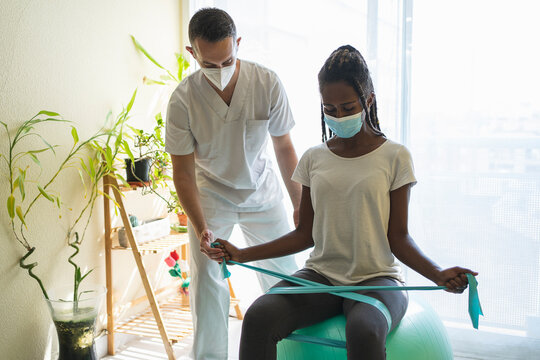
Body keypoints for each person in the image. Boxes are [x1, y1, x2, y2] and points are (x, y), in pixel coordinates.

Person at [216, 45, 478, 360]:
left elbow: (398, 237)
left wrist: (437, 274)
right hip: (321, 276)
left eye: (347, 106)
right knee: (258, 317)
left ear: (368, 99)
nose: (338, 115)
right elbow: (305, 234)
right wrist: (242, 253)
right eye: (330, 108)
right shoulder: (314, 158)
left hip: (376, 279)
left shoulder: (395, 157)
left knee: (364, 331)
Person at [165, 7, 301, 360]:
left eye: (227, 60)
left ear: (238, 44)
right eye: (209, 64)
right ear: (192, 54)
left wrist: (301, 205)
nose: (220, 70)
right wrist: (200, 228)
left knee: (286, 276)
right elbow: (182, 172)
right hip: (210, 194)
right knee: (207, 285)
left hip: (262, 191)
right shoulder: (183, 100)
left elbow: (284, 147)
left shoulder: (266, 82)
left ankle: (296, 352)